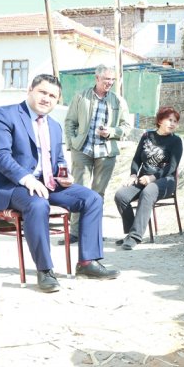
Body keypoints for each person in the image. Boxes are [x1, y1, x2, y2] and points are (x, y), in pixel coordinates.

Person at [0, 74, 120, 293]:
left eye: (53, 96)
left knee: (92, 198)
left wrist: (65, 175)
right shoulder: (4, 115)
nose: (47, 99)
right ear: (30, 90)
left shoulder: (54, 126)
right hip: (12, 186)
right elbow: (1, 157)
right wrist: (26, 179)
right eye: (43, 92)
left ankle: (87, 262)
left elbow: (58, 160)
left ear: (57, 100)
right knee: (37, 205)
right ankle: (45, 271)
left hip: (46, 184)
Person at [63, 64, 130, 243]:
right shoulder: (81, 96)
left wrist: (111, 132)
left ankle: (93, 233)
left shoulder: (118, 101)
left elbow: (126, 127)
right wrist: (72, 144)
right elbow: (70, 122)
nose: (109, 83)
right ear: (97, 78)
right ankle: (75, 233)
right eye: (106, 79)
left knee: (98, 193)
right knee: (79, 191)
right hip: (82, 150)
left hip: (106, 152)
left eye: (112, 80)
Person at [113, 107, 183, 250]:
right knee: (121, 195)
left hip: (166, 180)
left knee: (148, 192)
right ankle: (130, 232)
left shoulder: (176, 141)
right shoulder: (146, 136)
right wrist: (133, 175)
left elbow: (172, 168)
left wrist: (152, 177)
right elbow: (136, 159)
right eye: (169, 120)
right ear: (160, 120)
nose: (173, 124)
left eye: (175, 121)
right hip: (143, 179)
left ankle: (135, 237)